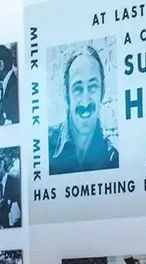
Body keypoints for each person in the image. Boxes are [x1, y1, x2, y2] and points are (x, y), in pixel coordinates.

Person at [49, 46, 119, 175]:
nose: (85, 101)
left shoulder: (112, 158)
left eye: (93, 87)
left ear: (102, 92)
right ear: (66, 95)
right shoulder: (45, 145)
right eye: (78, 89)